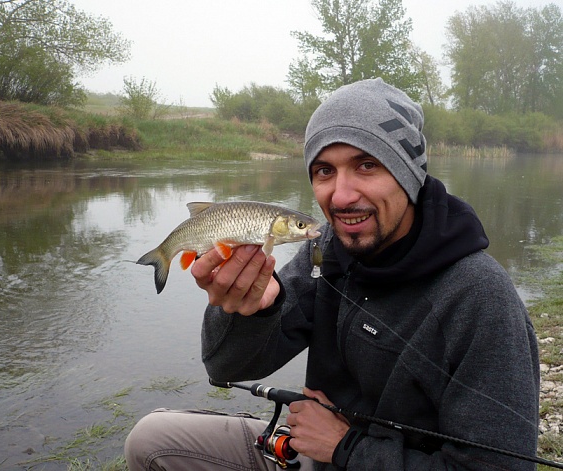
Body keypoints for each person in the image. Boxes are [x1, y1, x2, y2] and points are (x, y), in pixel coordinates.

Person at [124, 78, 540, 470]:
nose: (341, 196)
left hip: (350, 456)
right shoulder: (325, 251)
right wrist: (253, 311)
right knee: (151, 441)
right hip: (312, 456)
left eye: (367, 165)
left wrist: (347, 448)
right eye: (324, 170)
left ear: (409, 173)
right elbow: (225, 369)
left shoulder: (480, 296)